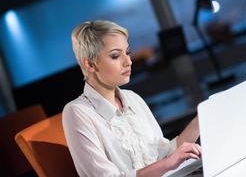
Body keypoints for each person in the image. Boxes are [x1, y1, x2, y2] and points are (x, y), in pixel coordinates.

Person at [62, 20, 201, 177]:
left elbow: (165, 155)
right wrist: (167, 163)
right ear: (90, 65)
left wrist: (201, 119)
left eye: (127, 53)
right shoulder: (77, 112)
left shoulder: (133, 98)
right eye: (115, 56)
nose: (128, 61)